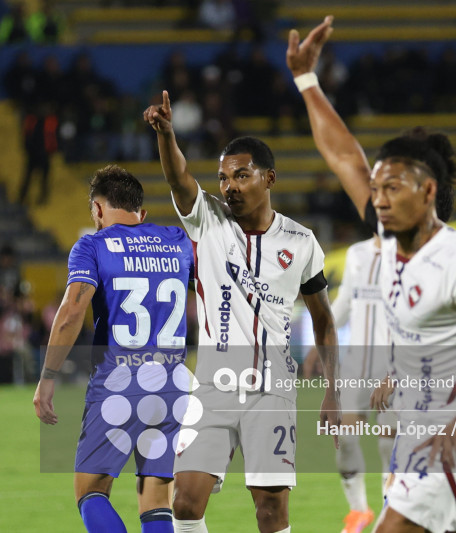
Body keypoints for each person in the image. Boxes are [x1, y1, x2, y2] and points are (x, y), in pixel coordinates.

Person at [287, 17, 456, 533]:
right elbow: (343, 157)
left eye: (390, 188)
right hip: (412, 419)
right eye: (376, 189)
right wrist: (306, 82)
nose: (375, 197)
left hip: (452, 428)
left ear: (425, 194)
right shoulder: (388, 239)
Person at [143, 91, 341, 533]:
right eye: (223, 178)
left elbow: (323, 319)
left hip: (272, 392)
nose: (229, 186)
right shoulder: (208, 221)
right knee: (186, 504)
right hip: (213, 385)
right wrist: (167, 135)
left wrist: (333, 391)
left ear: (268, 178)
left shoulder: (301, 241)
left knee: (270, 512)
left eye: (241, 175)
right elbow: (179, 180)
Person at [33, 165, 194, 533]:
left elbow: (72, 312)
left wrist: (47, 378)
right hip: (172, 386)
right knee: (155, 497)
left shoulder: (93, 244)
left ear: (98, 210)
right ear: (142, 213)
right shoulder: (176, 240)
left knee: (90, 491)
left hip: (120, 382)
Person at [303, 235, 394, 533]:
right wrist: (319, 343)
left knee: (388, 443)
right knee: (344, 437)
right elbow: (345, 301)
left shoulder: (410, 253)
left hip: (393, 367)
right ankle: (359, 511)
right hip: (356, 365)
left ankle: (388, 512)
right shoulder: (358, 253)